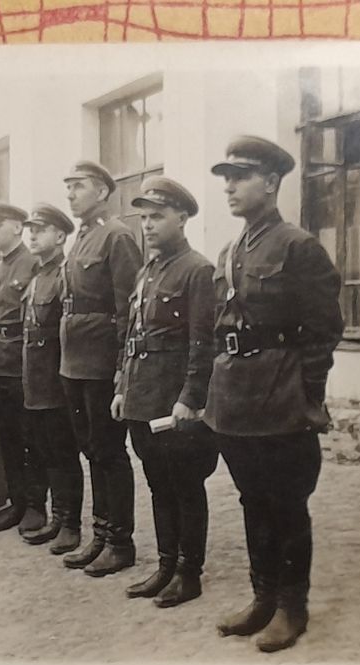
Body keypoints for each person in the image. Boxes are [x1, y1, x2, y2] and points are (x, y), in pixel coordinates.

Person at [206, 135, 343, 652]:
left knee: (286, 504)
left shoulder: (298, 246)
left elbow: (325, 328)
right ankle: (263, 597)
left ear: (270, 181)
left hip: (282, 399)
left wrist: (306, 393)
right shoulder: (231, 250)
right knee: (252, 501)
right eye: (226, 178)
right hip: (236, 401)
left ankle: (291, 606)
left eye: (239, 176)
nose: (229, 187)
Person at [112, 176, 219, 608]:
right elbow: (132, 334)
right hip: (143, 395)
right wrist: (122, 385)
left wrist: (190, 398)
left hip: (173, 399)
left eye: (157, 216)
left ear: (182, 217)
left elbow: (202, 343)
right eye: (143, 218)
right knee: (158, 484)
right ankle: (165, 565)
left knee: (185, 485)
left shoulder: (198, 270)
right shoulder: (147, 271)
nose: (148, 226)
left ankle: (188, 573)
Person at [60, 160, 142, 577]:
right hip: (75, 360)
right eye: (68, 187)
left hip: (100, 358)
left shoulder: (117, 236)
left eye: (79, 186)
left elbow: (129, 307)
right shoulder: (82, 237)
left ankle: (120, 542)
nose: (71, 194)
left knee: (110, 452)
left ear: (103, 191)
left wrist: (121, 369)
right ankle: (101, 532)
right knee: (92, 450)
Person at [0, 200, 46, 534]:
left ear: (18, 227)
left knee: (30, 436)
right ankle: (16, 502)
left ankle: (36, 505)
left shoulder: (32, 262)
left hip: (24, 360)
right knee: (7, 436)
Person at [20, 203, 84, 553]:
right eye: (31, 229)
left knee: (63, 454)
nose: (32, 235)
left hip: (57, 382)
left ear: (60, 236)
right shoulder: (37, 278)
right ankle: (58, 518)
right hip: (36, 381)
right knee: (47, 453)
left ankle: (71, 524)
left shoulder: (64, 275)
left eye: (40, 230)